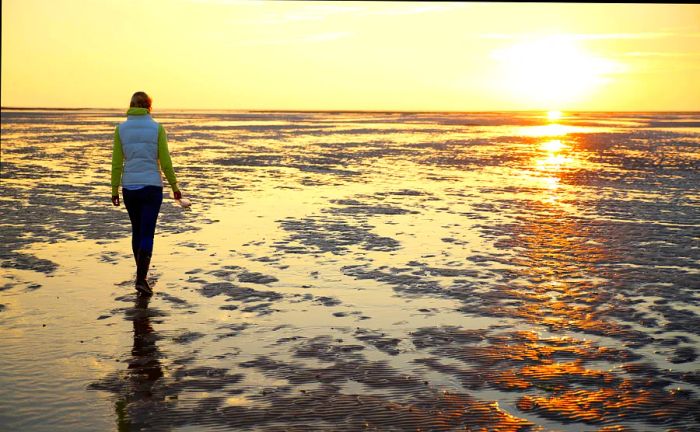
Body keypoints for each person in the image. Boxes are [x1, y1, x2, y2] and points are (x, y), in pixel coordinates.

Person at [111, 91, 182, 295]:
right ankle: (141, 279)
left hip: (130, 188)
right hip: (151, 187)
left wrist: (114, 189)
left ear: (131, 105)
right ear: (149, 107)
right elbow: (165, 161)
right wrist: (175, 187)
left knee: (137, 230)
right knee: (147, 232)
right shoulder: (157, 128)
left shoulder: (121, 129)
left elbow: (117, 163)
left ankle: (141, 276)